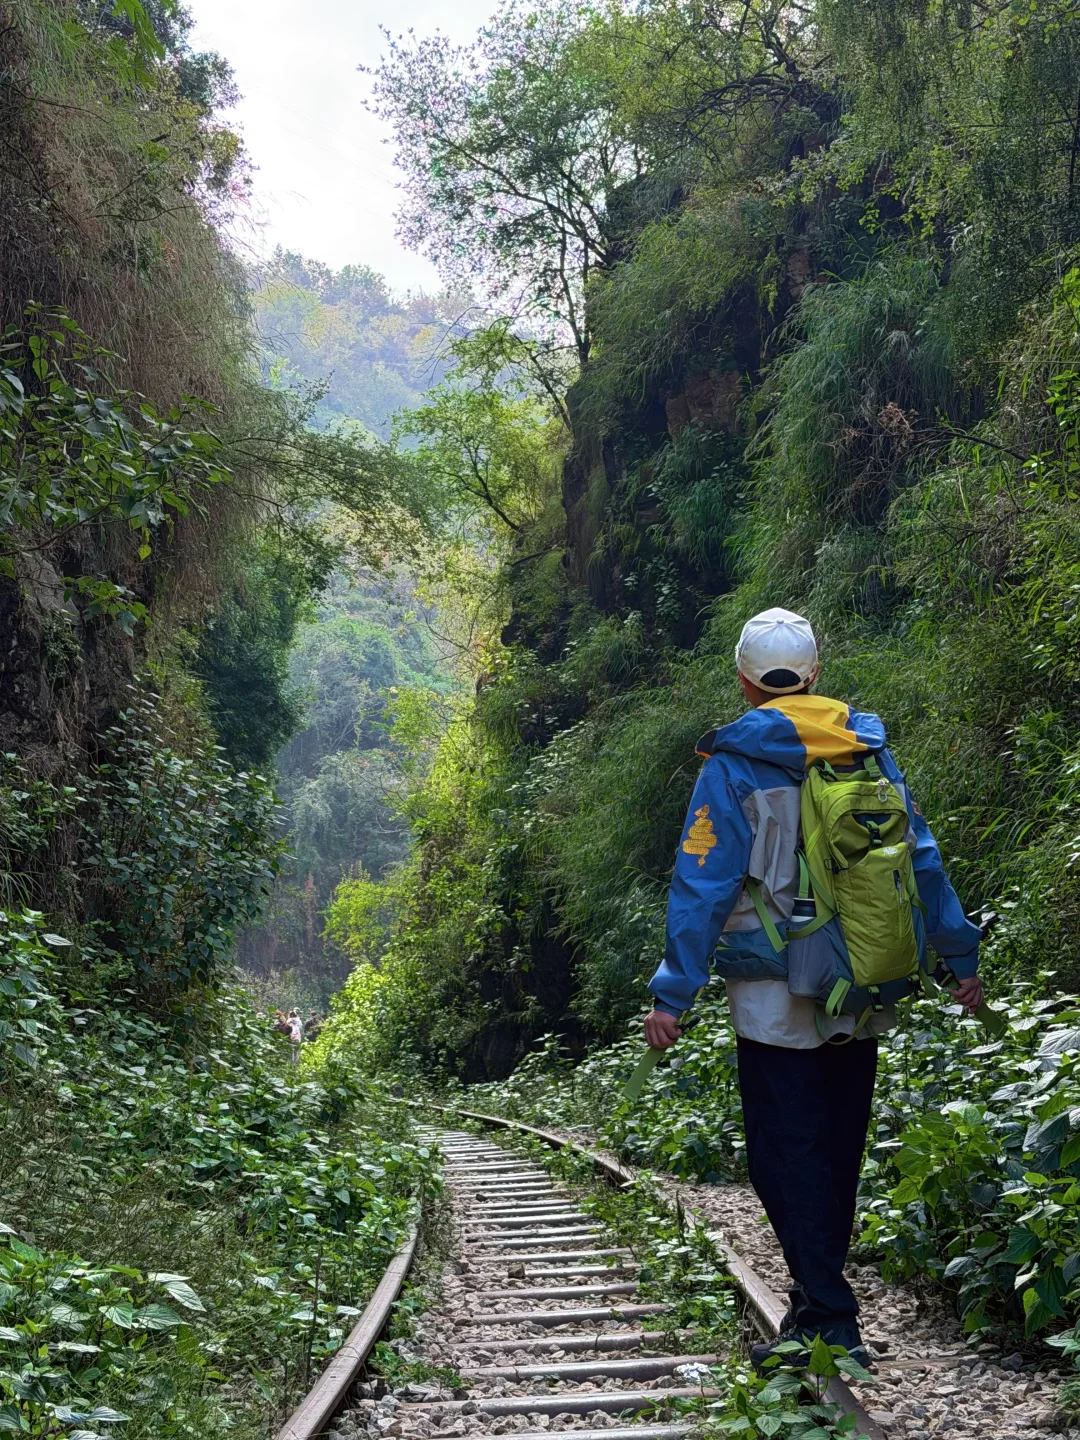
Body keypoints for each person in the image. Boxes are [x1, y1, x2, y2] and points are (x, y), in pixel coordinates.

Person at [643, 607, 983, 1369]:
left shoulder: (731, 766)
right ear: (815, 673)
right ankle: (817, 1300)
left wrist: (673, 992)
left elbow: (702, 884)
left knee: (782, 1152)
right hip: (862, 982)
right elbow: (921, 859)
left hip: (772, 995)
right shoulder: (866, 753)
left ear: (743, 680)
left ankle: (828, 1317)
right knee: (836, 1149)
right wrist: (960, 957)